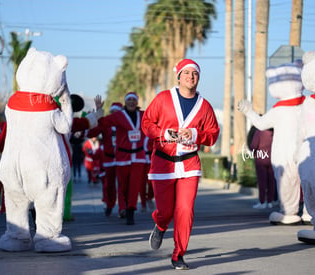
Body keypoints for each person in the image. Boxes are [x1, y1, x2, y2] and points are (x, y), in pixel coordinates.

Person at [141, 59, 220, 270]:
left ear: (198, 78)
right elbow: (146, 123)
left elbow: (213, 134)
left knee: (185, 209)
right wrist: (163, 133)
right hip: (163, 163)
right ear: (179, 76)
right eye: (186, 73)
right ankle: (160, 225)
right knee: (165, 211)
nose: (190, 77)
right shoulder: (163, 98)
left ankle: (178, 254)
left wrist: (196, 134)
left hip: (189, 163)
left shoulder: (205, 106)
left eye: (194, 74)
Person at [101, 92, 147, 225]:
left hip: (138, 157)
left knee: (134, 186)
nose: (132, 102)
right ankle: (125, 206)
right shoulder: (118, 116)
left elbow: (158, 118)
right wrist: (98, 112)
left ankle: (130, 211)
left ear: (137, 102)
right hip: (122, 157)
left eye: (134, 99)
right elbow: (103, 122)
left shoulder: (143, 115)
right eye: (129, 100)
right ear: (125, 102)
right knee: (124, 186)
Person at [88, 102, 123, 217]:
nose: (114, 114)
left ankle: (123, 208)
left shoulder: (125, 123)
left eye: (116, 112)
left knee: (123, 185)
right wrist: (93, 120)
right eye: (112, 112)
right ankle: (109, 204)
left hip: (122, 158)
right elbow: (92, 133)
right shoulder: (106, 123)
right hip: (108, 159)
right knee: (109, 185)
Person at [248, 126, 276, 209]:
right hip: (272, 159)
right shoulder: (274, 133)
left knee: (262, 182)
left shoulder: (259, 132)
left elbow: (253, 146)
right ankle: (270, 202)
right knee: (272, 182)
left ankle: (262, 202)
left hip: (261, 159)